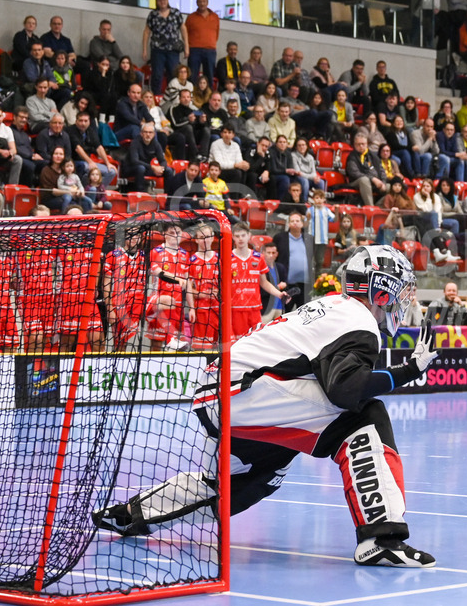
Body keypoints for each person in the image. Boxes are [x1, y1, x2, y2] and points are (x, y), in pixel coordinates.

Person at [93, 245, 439, 568]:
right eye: (400, 290)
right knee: (363, 417)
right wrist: (408, 371)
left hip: (223, 393)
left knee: (254, 479)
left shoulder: (333, 306)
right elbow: (344, 391)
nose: (402, 300)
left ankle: (132, 515)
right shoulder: (359, 322)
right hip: (244, 394)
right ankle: (382, 538)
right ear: (381, 291)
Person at [143, 0, 189, 94]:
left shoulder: (176, 13)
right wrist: (144, 50)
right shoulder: (153, 15)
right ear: (157, 2)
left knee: (173, 75)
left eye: (164, 0)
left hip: (173, 50)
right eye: (160, 0)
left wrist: (186, 46)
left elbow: (183, 29)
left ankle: (171, 96)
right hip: (157, 50)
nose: (162, 2)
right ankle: (156, 96)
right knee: (157, 75)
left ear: (168, 1)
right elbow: (146, 32)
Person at [274, 212, 314, 311]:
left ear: (302, 223)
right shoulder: (280, 238)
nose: (295, 223)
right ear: (288, 224)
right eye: (292, 221)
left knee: (304, 313)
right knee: (285, 313)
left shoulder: (309, 238)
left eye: (297, 221)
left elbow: (312, 257)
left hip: (305, 284)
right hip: (287, 284)